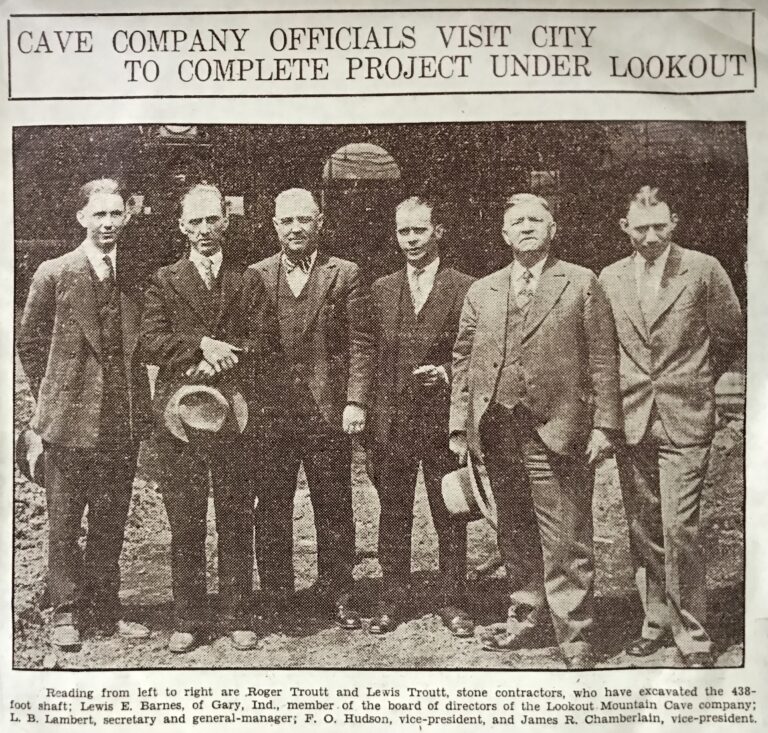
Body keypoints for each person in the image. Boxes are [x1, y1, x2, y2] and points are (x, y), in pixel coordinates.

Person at [449, 193, 621, 669]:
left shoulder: (581, 282)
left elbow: (604, 358)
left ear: (552, 229)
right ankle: (525, 617)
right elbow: (462, 361)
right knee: (515, 530)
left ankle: (576, 634)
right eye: (515, 223)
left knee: (566, 534)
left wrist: (605, 425)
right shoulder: (483, 290)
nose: (525, 228)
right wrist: (459, 426)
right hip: (497, 431)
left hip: (558, 428)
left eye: (534, 220)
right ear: (504, 235)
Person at [599, 186, 744, 668]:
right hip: (633, 417)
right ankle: (655, 621)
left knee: (679, 526)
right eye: (640, 228)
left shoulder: (703, 269)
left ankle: (693, 632)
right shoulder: (611, 277)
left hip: (685, 414)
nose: (651, 236)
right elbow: (606, 348)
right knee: (644, 526)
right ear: (624, 229)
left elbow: (728, 335)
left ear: (674, 222)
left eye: (660, 225)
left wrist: (697, 380)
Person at [17, 178, 152, 651]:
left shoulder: (134, 275)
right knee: (64, 523)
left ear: (127, 218)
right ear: (82, 219)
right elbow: (30, 345)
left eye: (117, 214)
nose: (109, 223)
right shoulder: (53, 273)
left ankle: (106, 610)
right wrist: (54, 396)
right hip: (68, 425)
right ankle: (65, 612)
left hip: (122, 420)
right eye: (100, 215)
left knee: (111, 520)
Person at [141, 182, 276, 653]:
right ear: (181, 227)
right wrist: (200, 346)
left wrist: (224, 357)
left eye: (211, 220)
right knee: (186, 520)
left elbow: (264, 341)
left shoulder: (248, 281)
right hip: (181, 420)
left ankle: (237, 614)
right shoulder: (164, 279)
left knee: (236, 517)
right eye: (194, 221)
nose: (204, 229)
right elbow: (151, 341)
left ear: (226, 222)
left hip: (234, 418)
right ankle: (188, 617)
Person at [251, 188, 374, 630]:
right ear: (275, 226)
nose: (295, 228)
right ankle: (278, 597)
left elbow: (361, 343)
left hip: (327, 412)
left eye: (304, 219)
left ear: (320, 222)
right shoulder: (257, 275)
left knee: (334, 505)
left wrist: (356, 399)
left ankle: (339, 592)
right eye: (287, 221)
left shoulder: (345, 274)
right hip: (273, 415)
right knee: (272, 507)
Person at [367, 197, 475, 635]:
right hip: (393, 421)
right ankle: (393, 597)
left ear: (439, 232)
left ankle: (453, 599)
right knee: (393, 511)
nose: (411, 240)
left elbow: (477, 353)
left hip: (440, 420)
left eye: (420, 230)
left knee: (448, 509)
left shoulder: (466, 287)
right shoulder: (381, 289)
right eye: (403, 232)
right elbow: (369, 354)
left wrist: (447, 373)